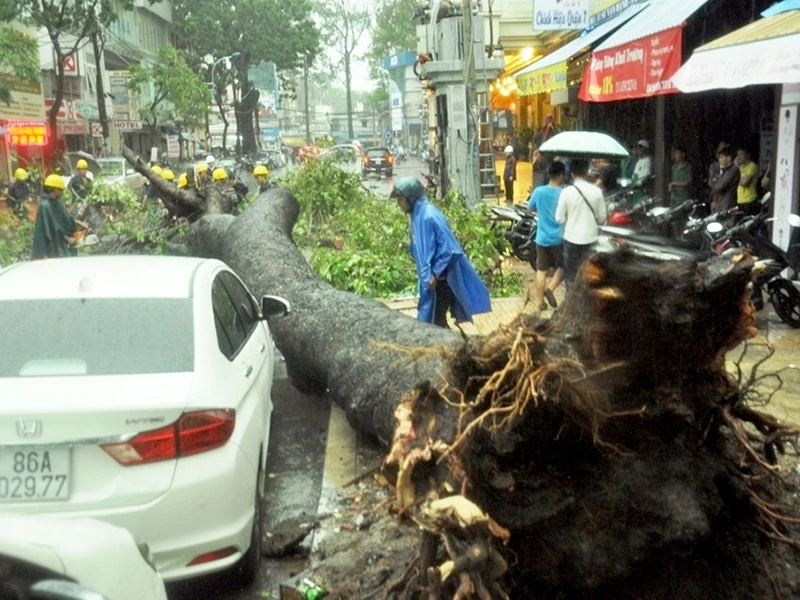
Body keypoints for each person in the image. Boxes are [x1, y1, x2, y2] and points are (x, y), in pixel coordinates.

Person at [390, 177, 491, 327]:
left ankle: (451, 348)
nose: (399, 204)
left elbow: (450, 248)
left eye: (400, 199)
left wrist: (435, 274)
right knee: (433, 321)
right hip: (430, 282)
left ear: (411, 198)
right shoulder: (416, 216)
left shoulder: (430, 215)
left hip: (441, 282)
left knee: (435, 323)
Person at [555, 158, 607, 292]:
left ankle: (571, 304)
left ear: (571, 173)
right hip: (591, 239)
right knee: (589, 276)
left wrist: (570, 219)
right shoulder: (597, 192)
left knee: (571, 276)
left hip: (571, 239)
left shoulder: (566, 192)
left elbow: (559, 218)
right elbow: (602, 219)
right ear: (587, 172)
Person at [528, 161, 566, 313]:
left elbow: (530, 209)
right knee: (563, 268)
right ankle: (550, 289)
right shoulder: (565, 192)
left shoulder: (539, 191)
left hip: (542, 238)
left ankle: (540, 303)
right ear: (562, 175)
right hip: (560, 238)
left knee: (541, 270)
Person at [31, 174, 78, 259]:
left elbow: (65, 219)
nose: (62, 192)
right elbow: (53, 228)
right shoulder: (46, 206)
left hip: (60, 243)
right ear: (55, 190)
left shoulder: (55, 203)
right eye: (61, 190)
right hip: (51, 248)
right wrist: (68, 239)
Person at [710, 147, 739, 213]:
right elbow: (710, 182)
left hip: (728, 206)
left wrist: (716, 180)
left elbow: (720, 186)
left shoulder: (733, 170)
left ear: (729, 158)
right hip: (718, 204)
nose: (719, 160)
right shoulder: (722, 170)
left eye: (721, 157)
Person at [736, 146, 759, 214]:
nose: (739, 157)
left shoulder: (752, 166)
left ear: (748, 155)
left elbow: (744, 183)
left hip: (750, 200)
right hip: (740, 200)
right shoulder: (739, 167)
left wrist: (738, 179)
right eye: (738, 155)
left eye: (741, 154)